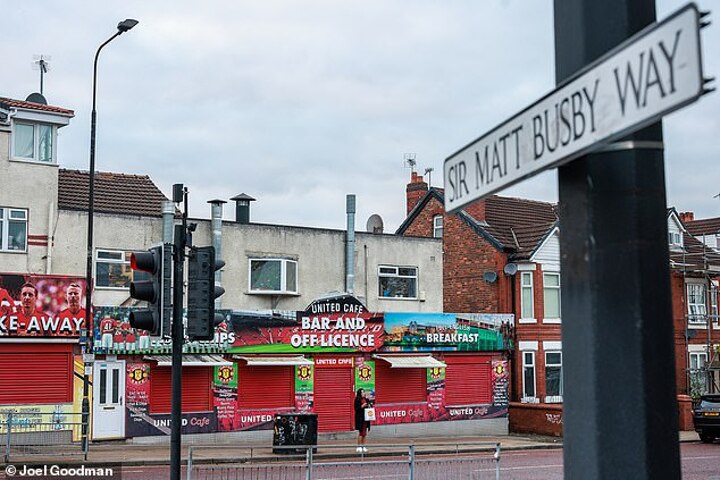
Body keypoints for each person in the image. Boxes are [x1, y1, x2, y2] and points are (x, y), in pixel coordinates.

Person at [354, 388, 371, 452]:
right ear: (360, 393)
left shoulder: (366, 399)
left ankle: (363, 446)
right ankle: (359, 446)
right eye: (362, 392)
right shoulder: (357, 399)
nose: (364, 393)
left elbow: (370, 405)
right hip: (360, 418)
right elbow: (356, 409)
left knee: (365, 433)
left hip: (366, 418)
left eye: (364, 392)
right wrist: (362, 406)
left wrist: (369, 404)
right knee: (361, 433)